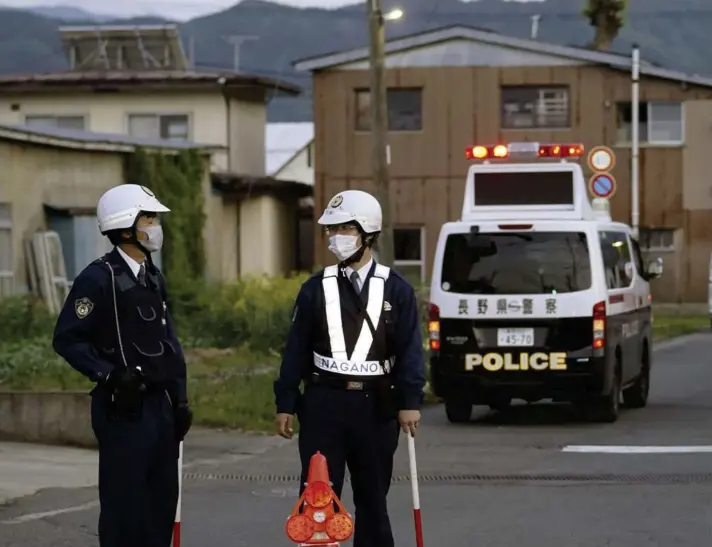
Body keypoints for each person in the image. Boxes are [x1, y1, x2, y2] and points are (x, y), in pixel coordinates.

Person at [274, 189, 427, 547]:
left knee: (373, 499)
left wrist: (410, 401)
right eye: (331, 230)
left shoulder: (396, 289)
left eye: (344, 228)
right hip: (324, 403)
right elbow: (295, 348)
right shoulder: (315, 288)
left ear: (367, 233)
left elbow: (409, 349)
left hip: (377, 406)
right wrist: (285, 401)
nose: (334, 238)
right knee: (318, 497)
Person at [52, 184, 193, 547]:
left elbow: (169, 345)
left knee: (161, 505)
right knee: (125, 510)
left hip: (160, 409)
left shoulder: (153, 277)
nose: (156, 225)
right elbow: (67, 338)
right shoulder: (98, 278)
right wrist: (109, 375)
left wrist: (180, 399)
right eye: (149, 217)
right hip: (123, 410)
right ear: (126, 227)